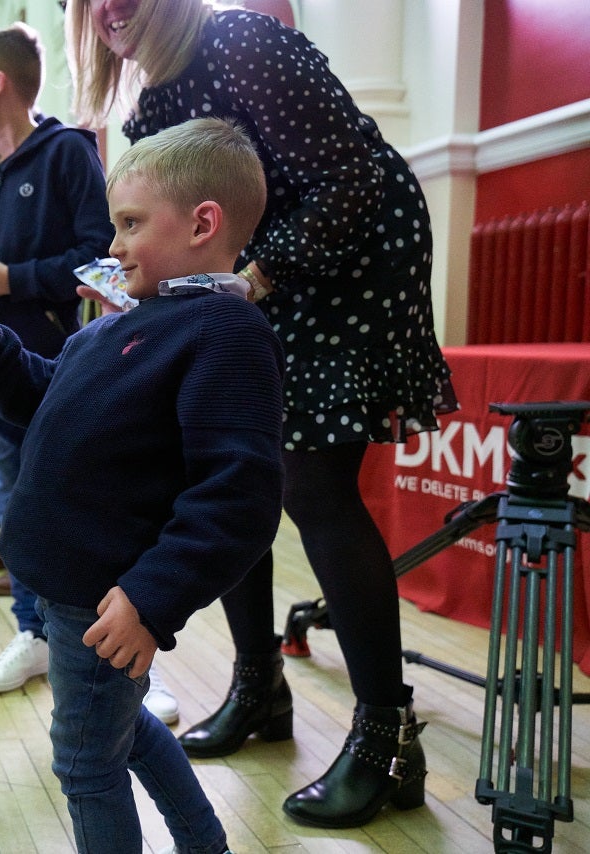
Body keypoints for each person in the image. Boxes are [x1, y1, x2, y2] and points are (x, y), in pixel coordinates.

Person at [65, 0, 459, 828]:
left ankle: (388, 738)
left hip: (347, 264)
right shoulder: (154, 99)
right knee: (226, 465)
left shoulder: (241, 39)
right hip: (252, 279)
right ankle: (258, 689)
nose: (105, 9)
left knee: (313, 490)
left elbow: (349, 181)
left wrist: (251, 279)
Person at [0, 116, 283, 854]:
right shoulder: (124, 326)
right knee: (123, 728)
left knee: (84, 762)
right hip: (64, 585)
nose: (111, 246)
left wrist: (151, 597)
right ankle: (207, 845)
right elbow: (43, 394)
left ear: (204, 223)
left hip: (104, 598)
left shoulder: (223, 332)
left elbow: (237, 495)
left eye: (131, 224)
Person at [0, 22, 122, 702]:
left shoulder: (70, 153)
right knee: (11, 497)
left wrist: (14, 277)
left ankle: (95, 644)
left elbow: (105, 258)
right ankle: (34, 634)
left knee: (64, 503)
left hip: (57, 365)